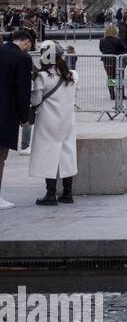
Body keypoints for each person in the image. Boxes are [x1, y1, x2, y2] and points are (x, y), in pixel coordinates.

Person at [28, 41, 79, 206]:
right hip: (67, 120)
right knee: (67, 154)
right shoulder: (73, 75)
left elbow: (35, 100)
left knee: (47, 154)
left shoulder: (43, 77)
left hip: (48, 120)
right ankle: (67, 193)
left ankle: (50, 194)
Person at [0, 28, 36, 211]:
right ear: (26, 42)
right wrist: (25, 118)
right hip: (6, 113)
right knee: (1, 155)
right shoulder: (22, 59)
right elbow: (23, 91)